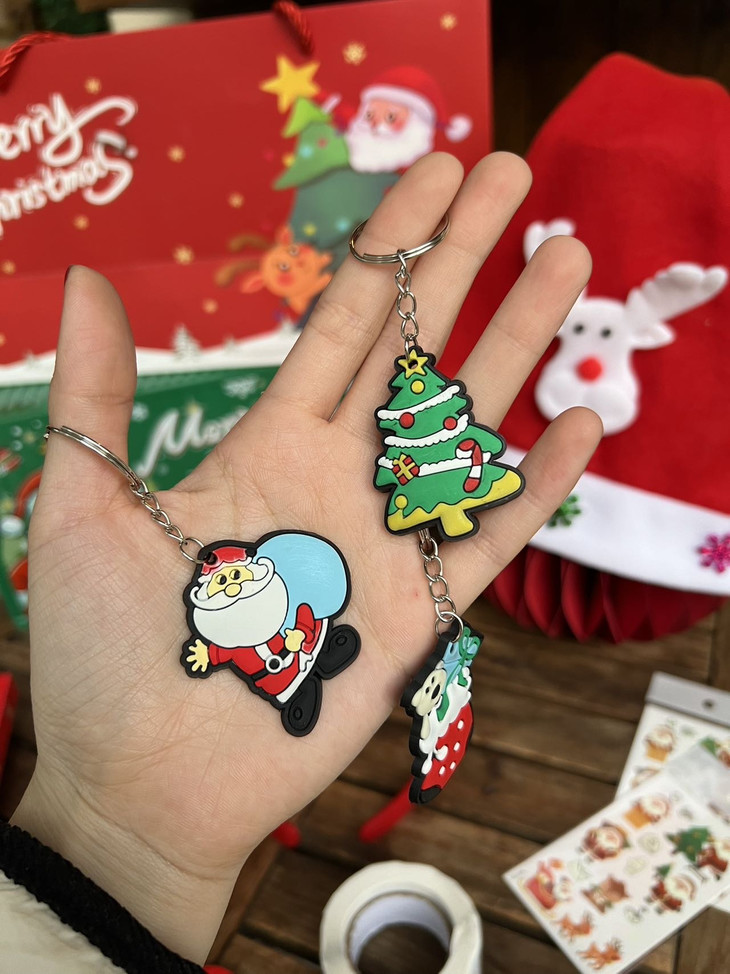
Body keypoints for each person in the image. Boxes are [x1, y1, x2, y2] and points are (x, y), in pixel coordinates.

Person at [0, 152, 600, 972]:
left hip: (301, 639)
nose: (226, 581)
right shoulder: (223, 620)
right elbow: (219, 645)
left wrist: (108, 844)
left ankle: (315, 658)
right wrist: (110, 829)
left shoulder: (270, 591)